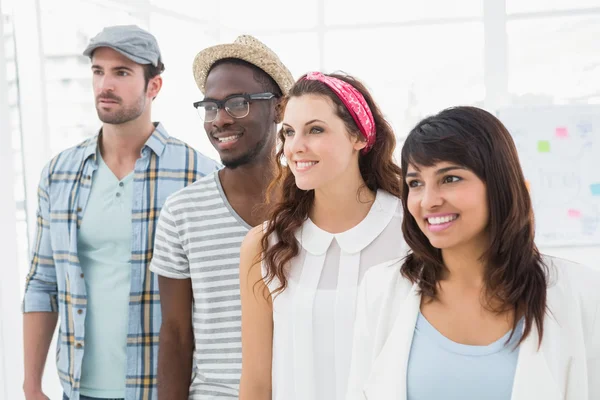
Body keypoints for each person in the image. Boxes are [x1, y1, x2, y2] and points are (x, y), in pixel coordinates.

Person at [346, 106, 600, 400]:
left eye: (450, 179)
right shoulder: (381, 289)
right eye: (415, 183)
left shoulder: (580, 293)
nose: (428, 201)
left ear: (498, 183)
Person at [22, 25, 220, 400]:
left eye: (122, 73)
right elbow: (42, 285)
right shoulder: (60, 172)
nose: (105, 85)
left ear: (154, 86)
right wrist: (32, 385)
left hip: (164, 390)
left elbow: (215, 298)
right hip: (78, 390)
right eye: (98, 71)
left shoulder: (199, 174)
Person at [238, 71, 408, 400]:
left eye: (315, 129)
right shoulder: (263, 246)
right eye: (288, 132)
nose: (295, 147)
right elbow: (257, 382)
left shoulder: (411, 234)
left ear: (359, 136)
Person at [149, 35, 294, 399]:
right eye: (211, 107)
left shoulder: (312, 202)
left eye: (238, 103)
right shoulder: (181, 213)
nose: (221, 119)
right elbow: (176, 335)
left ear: (278, 108)